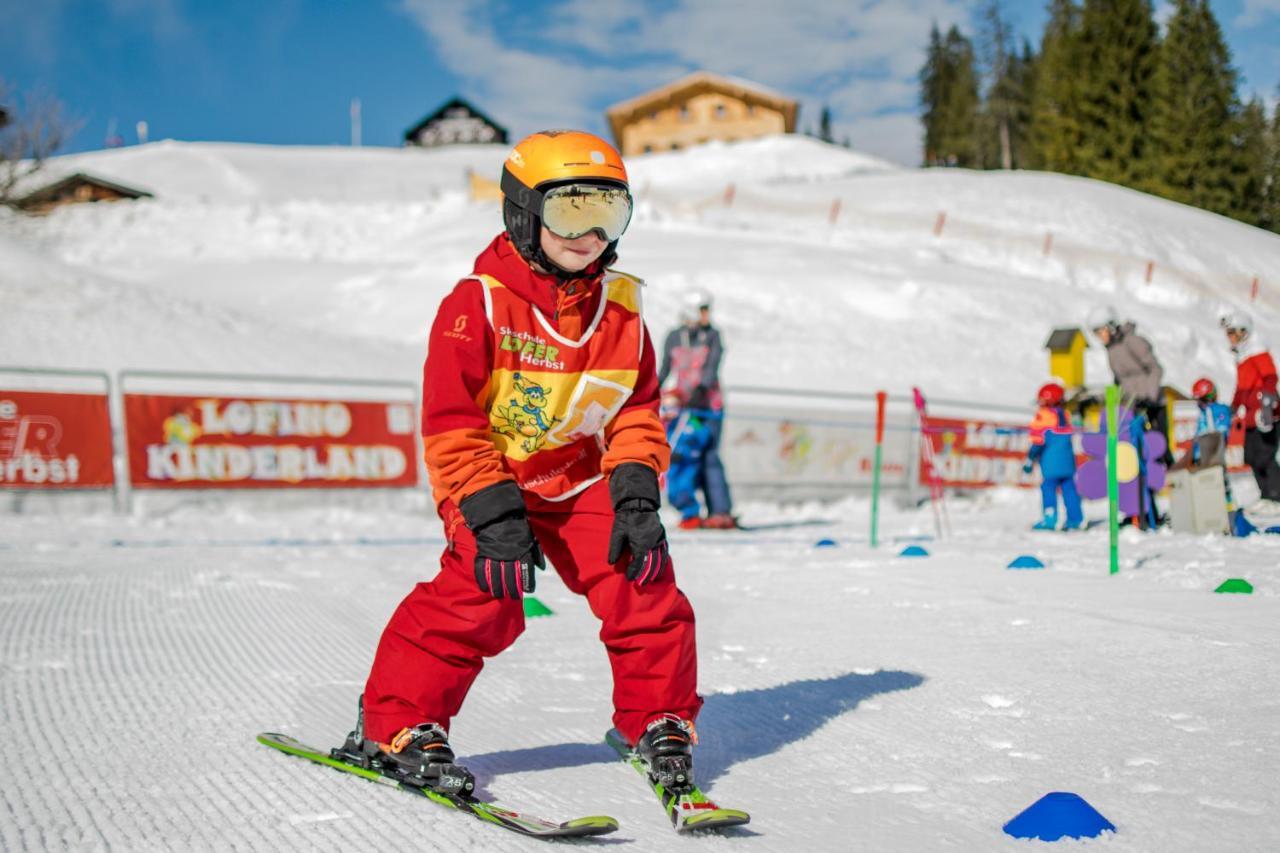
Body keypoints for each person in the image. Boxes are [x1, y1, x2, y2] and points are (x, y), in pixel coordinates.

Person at [354, 131, 703, 797]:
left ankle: (656, 714)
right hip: (491, 479)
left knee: (641, 576)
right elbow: (452, 419)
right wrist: (487, 505)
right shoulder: (475, 304)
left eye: (608, 213)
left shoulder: (622, 310)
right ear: (522, 211)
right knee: (485, 593)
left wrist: (634, 485)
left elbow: (637, 407)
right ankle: (396, 723)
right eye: (571, 211)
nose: (590, 233)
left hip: (575, 476)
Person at [657, 291, 735, 528]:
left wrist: (701, 389)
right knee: (684, 456)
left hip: (709, 406)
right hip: (684, 408)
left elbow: (713, 365)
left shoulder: (712, 336)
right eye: (702, 309)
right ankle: (689, 510)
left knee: (709, 457)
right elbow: (665, 368)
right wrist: (651, 391)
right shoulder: (674, 337)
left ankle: (720, 511)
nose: (706, 315)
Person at [1086, 305, 1171, 464]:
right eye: (1096, 333)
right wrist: (1096, 399)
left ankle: (1170, 480)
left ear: (1110, 327)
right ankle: (1143, 487)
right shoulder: (1111, 350)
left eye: (1100, 331)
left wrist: (1150, 398)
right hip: (1133, 407)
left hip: (1152, 405)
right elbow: (1119, 383)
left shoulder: (1132, 341)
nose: (1099, 337)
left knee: (1159, 448)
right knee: (1137, 450)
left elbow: (1155, 369)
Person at [1221, 310, 1280, 513]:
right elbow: (1242, 387)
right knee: (1252, 458)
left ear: (1242, 331)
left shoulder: (1257, 350)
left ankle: (1276, 496)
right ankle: (1266, 496)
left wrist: (1267, 403)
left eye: (1231, 332)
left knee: (1265, 457)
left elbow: (1270, 377)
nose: (1229, 337)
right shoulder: (1243, 355)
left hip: (1264, 413)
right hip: (1250, 417)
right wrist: (1234, 406)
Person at [1023, 382, 1083, 531]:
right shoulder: (1065, 415)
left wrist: (1030, 459)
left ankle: (1050, 518)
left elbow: (1038, 442)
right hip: (1068, 464)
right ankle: (1075, 519)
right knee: (1069, 489)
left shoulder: (1043, 417)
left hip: (1051, 465)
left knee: (1048, 488)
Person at [660, 389, 712, 530]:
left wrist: (687, 451)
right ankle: (686, 515)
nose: (670, 409)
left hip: (687, 463)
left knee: (684, 488)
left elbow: (703, 435)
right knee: (672, 492)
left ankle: (692, 516)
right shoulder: (665, 422)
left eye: (673, 404)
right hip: (672, 464)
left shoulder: (689, 419)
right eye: (667, 405)